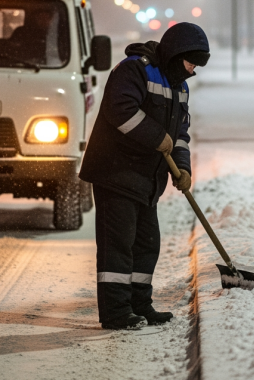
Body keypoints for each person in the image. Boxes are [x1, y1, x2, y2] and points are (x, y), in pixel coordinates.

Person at [79, 22, 209, 330]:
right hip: (117, 171)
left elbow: (179, 133)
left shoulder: (179, 85)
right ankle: (116, 312)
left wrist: (182, 166)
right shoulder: (135, 70)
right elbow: (120, 110)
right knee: (119, 246)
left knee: (147, 244)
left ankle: (140, 304)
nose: (192, 70)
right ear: (177, 53)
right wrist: (156, 137)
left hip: (147, 179)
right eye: (191, 61)